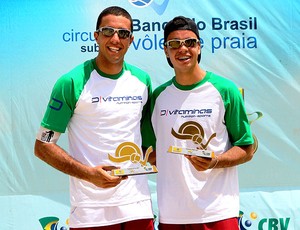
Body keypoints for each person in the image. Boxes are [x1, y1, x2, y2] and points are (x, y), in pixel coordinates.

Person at [34, 6, 154, 230]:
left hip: (137, 205)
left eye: (123, 34)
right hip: (91, 209)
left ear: (131, 40)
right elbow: (43, 146)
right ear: (96, 35)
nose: (115, 39)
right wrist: (89, 174)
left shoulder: (142, 80)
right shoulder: (71, 82)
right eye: (108, 31)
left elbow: (150, 145)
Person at [143, 16, 255, 230]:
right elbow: (151, 152)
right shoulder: (159, 96)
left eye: (190, 42)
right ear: (166, 51)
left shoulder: (225, 90)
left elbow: (246, 148)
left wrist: (216, 161)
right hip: (172, 215)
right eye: (174, 44)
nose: (182, 48)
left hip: (218, 212)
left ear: (199, 47)